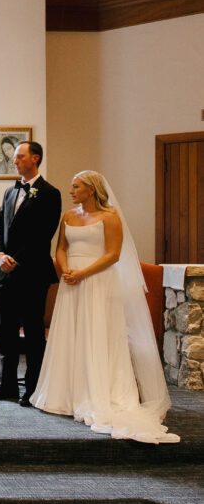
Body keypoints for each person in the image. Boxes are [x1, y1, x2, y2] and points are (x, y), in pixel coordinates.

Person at [31, 170, 179, 444]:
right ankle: (65, 394)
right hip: (71, 281)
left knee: (95, 333)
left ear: (91, 189)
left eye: (76, 187)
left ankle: (98, 393)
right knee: (70, 334)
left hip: (97, 281)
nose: (72, 191)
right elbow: (61, 247)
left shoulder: (110, 217)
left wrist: (83, 273)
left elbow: (113, 254)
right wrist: (66, 270)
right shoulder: (68, 216)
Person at [0, 141, 62, 405]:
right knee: (6, 332)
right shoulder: (9, 192)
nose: (15, 161)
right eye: (15, 157)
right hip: (5, 275)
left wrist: (16, 260)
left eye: (20, 156)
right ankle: (6, 386)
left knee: (32, 334)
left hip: (32, 274)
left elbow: (44, 236)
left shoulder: (50, 193)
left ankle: (33, 389)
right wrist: (0, 256)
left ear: (35, 159)